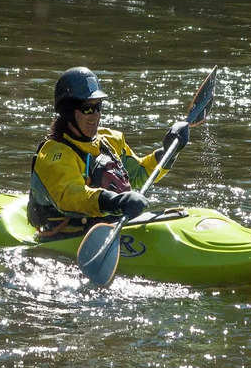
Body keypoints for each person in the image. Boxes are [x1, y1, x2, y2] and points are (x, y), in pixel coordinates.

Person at [28, 66, 189, 240]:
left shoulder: (110, 141)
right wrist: (115, 202)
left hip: (108, 228)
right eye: (87, 109)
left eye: (98, 107)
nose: (95, 115)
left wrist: (168, 153)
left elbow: (137, 175)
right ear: (68, 112)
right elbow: (71, 196)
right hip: (65, 238)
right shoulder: (54, 154)